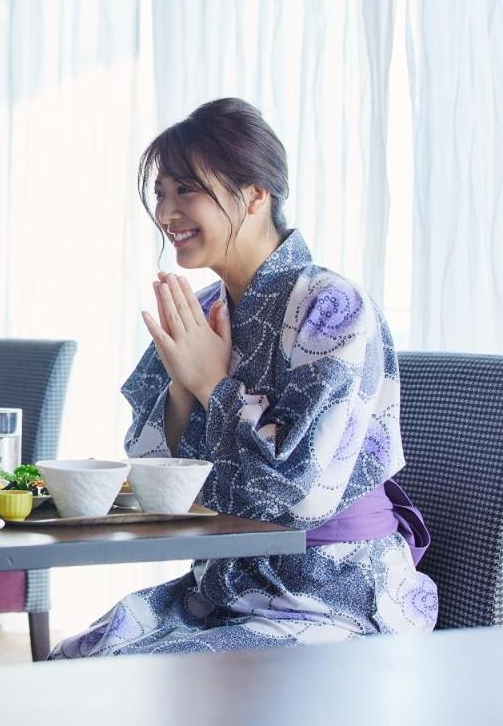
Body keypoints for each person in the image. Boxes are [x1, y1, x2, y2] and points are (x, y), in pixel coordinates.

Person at [52, 98, 437, 658]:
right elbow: (153, 475)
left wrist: (212, 383)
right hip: (226, 584)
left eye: (186, 190)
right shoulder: (205, 307)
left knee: (134, 681)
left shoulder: (333, 308)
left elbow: (298, 495)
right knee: (74, 660)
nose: (166, 213)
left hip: (332, 592)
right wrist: (184, 385)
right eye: (161, 194)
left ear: (255, 195)